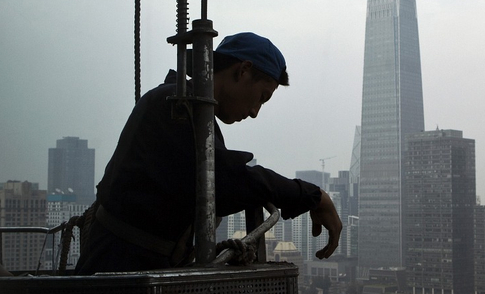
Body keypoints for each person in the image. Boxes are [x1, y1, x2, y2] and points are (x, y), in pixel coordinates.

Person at [74, 32, 342, 274]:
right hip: (119, 272)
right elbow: (225, 183)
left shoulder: (185, 109)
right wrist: (312, 196)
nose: (254, 112)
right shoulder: (176, 108)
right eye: (261, 97)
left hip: (128, 266)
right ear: (244, 70)